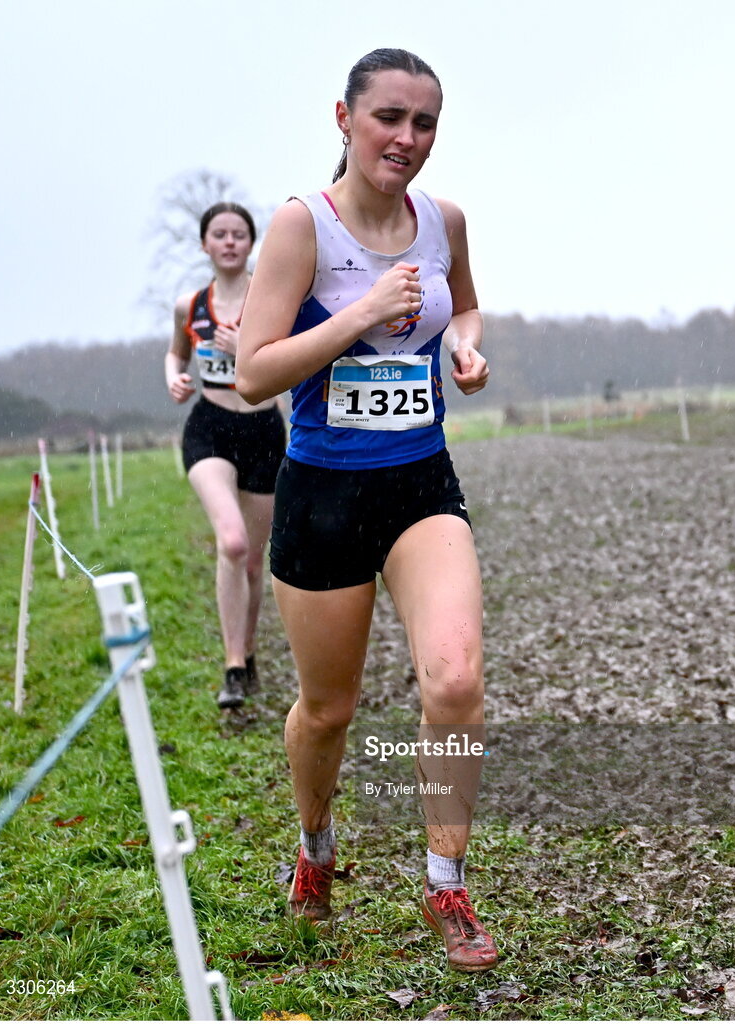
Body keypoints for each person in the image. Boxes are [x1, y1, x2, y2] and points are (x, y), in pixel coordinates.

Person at [236, 48, 497, 972]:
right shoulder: (303, 227)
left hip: (419, 483)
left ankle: (445, 882)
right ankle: (314, 853)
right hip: (323, 493)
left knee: (455, 677)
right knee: (328, 709)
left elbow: (464, 310)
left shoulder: (444, 221)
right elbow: (254, 368)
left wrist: (464, 351)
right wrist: (358, 315)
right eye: (389, 117)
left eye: (424, 123)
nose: (408, 139)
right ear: (344, 119)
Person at [165, 202, 286, 710]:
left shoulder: (272, 296)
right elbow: (177, 351)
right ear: (205, 245)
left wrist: (245, 353)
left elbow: (289, 361)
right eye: (220, 234)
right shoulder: (189, 305)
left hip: (263, 428)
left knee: (254, 562)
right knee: (232, 542)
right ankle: (233, 667)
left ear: (251, 242)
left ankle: (250, 652)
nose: (231, 241)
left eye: (239, 233)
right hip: (209, 428)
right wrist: (173, 375)